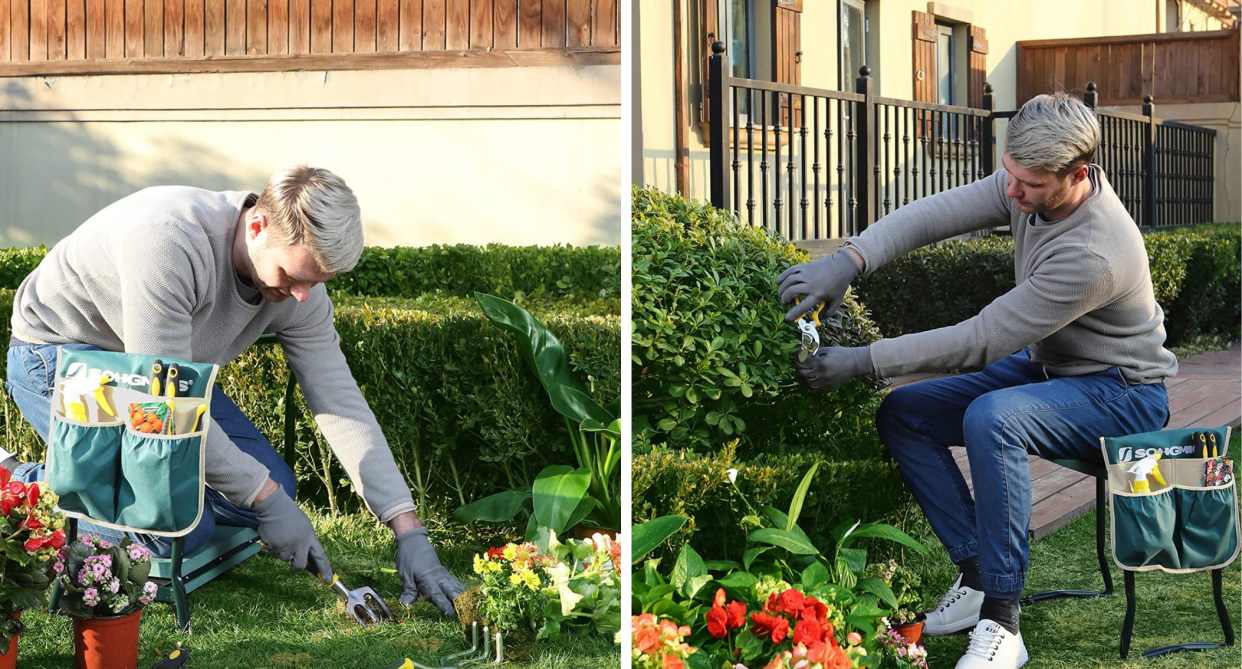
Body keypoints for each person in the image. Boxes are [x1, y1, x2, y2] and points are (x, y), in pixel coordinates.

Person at [777, 93, 1175, 669]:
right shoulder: (1030, 183)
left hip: (1125, 393)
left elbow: (981, 339)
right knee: (905, 414)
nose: (1012, 193)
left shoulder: (1095, 251)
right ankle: (978, 575)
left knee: (995, 418)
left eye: (1028, 185)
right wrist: (850, 259)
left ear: (1077, 174)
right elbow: (934, 213)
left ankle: (1002, 622)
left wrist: (863, 360)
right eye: (1009, 175)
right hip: (1055, 368)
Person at [3, 165, 466, 617]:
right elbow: (166, 407)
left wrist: (407, 528)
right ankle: (17, 486)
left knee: (277, 484)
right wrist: (261, 498)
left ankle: (119, 488)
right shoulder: (168, 243)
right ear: (259, 226)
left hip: (165, 373)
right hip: (63, 356)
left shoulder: (298, 290)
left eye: (317, 282)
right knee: (174, 528)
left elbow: (339, 400)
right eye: (294, 275)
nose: (304, 295)